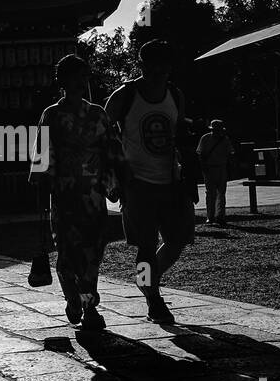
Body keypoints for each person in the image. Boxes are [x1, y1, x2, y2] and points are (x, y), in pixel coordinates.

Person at [30, 53, 123, 334]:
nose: (81, 82)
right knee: (68, 252)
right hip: (64, 193)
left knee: (94, 250)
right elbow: (43, 154)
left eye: (84, 76)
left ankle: (89, 304)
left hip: (93, 193)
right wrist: (42, 185)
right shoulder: (52, 115)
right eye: (75, 76)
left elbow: (112, 150)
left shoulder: (98, 113)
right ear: (63, 81)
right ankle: (74, 297)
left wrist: (117, 182)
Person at [105, 39, 194, 326]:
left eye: (164, 68)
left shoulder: (175, 95)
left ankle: (147, 280)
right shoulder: (124, 96)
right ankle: (153, 298)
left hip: (171, 179)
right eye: (153, 68)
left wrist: (189, 176)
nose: (159, 73)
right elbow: (103, 136)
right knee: (145, 245)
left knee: (178, 239)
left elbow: (181, 135)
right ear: (141, 65)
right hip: (138, 182)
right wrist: (115, 178)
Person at [197, 118, 236, 226]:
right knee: (211, 194)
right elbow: (200, 155)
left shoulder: (223, 139)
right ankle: (211, 216)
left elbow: (230, 154)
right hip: (210, 168)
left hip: (220, 167)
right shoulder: (206, 138)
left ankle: (219, 216)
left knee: (220, 193)